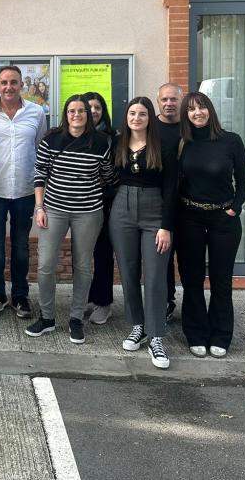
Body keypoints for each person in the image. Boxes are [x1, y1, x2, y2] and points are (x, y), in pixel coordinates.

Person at [25, 94, 114, 345]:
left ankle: (75, 318)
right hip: (53, 209)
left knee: (83, 266)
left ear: (89, 115)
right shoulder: (51, 139)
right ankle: (47, 318)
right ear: (66, 114)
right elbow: (40, 174)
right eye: (72, 111)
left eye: (82, 111)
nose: (77, 115)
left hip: (88, 211)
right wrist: (39, 208)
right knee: (46, 265)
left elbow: (106, 175)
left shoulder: (101, 142)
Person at [176, 91, 245, 359]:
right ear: (186, 115)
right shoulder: (183, 143)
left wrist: (234, 208)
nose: (198, 113)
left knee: (221, 280)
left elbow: (243, 179)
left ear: (211, 110)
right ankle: (196, 333)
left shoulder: (231, 141)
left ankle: (220, 335)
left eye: (202, 107)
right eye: (192, 109)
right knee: (192, 280)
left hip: (223, 219)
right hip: (190, 218)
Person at [109, 97, 177, 370]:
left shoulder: (164, 146)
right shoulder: (118, 143)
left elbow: (172, 187)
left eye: (142, 114)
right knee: (127, 271)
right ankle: (138, 325)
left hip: (155, 210)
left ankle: (157, 336)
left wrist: (166, 226)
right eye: (132, 113)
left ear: (151, 117)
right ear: (126, 117)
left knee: (155, 275)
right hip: (122, 210)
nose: (136, 118)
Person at [0, 65, 47, 319]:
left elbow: (40, 150)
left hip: (26, 189)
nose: (9, 87)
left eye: (14, 82)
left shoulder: (36, 113)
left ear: (21, 85)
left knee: (20, 246)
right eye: (4, 82)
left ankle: (20, 296)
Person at [85, 91, 118, 325]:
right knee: (83, 252)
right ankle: (88, 297)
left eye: (97, 107)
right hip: (80, 202)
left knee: (103, 252)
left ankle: (104, 302)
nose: (93, 111)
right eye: (89, 107)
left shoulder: (113, 137)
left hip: (106, 201)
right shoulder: (75, 135)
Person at [155, 82, 184, 321]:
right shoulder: (149, 127)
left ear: (180, 101)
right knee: (162, 256)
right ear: (158, 102)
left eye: (173, 99)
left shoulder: (190, 127)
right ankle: (164, 301)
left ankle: (187, 304)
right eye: (164, 99)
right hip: (158, 202)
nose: (169, 103)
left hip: (188, 202)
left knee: (185, 256)